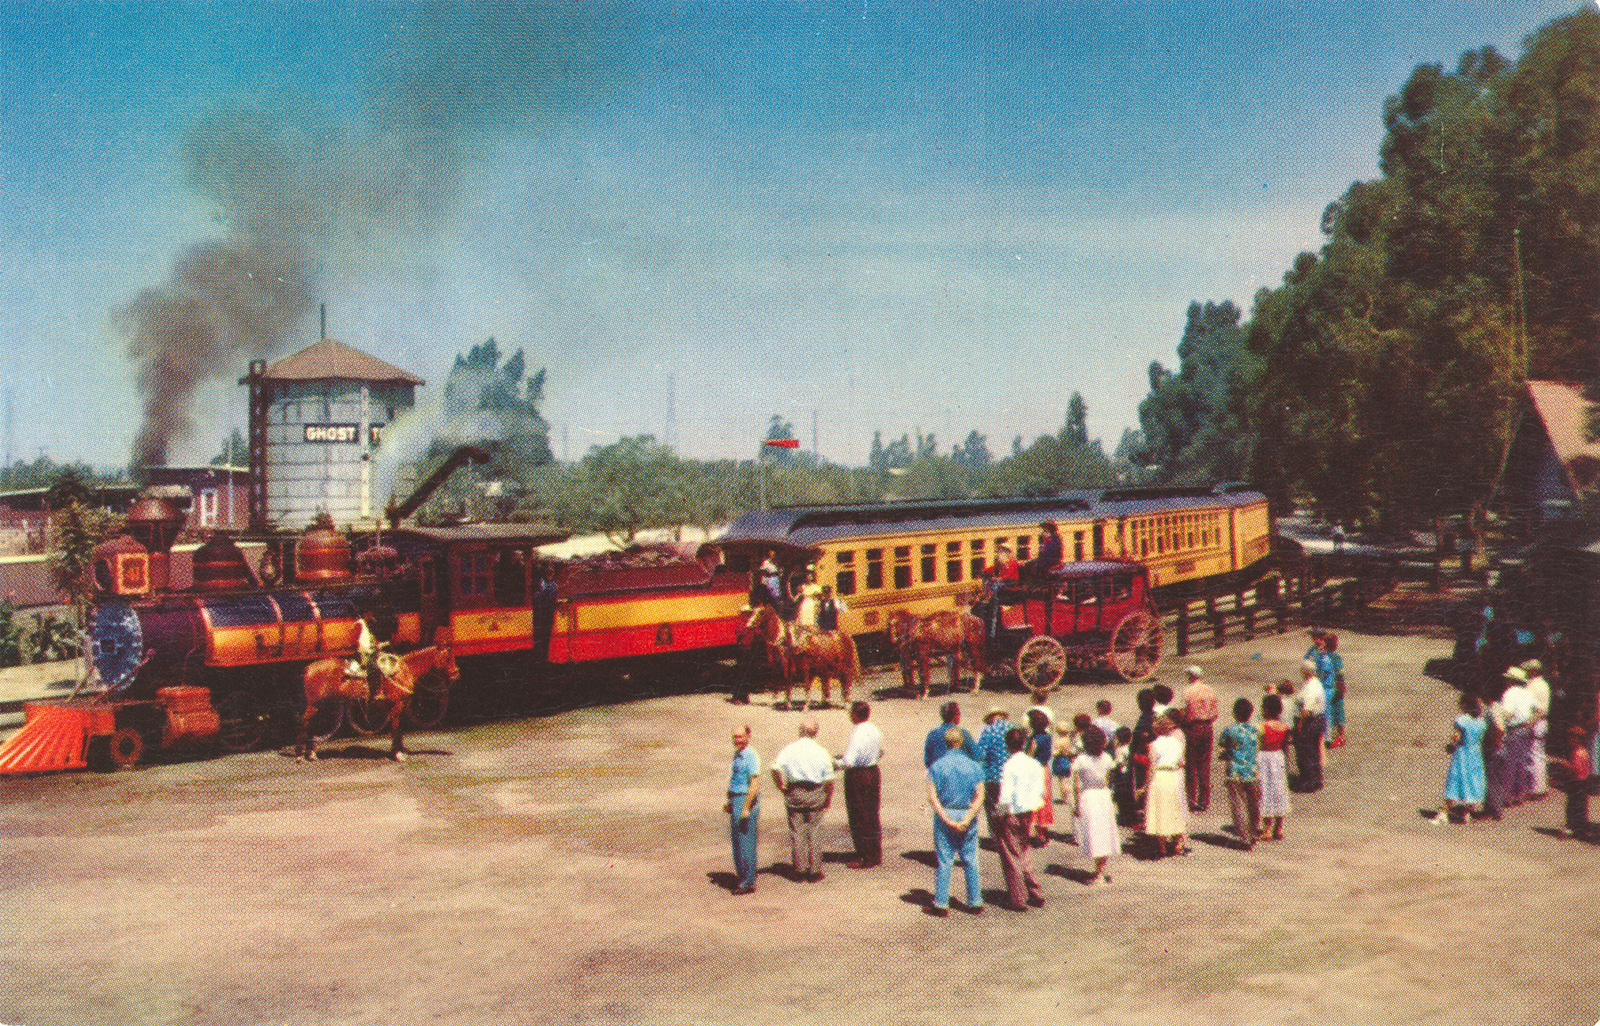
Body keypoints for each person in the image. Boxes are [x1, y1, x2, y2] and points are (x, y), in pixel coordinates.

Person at [926, 727, 986, 916]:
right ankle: (974, 901)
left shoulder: (937, 766)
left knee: (945, 860)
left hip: (946, 813)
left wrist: (945, 818)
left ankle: (941, 902)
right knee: (970, 859)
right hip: (966, 813)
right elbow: (980, 795)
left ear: (946, 742)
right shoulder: (974, 766)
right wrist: (968, 817)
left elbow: (932, 797)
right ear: (961, 742)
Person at [771, 717, 835, 882]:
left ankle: (799, 870)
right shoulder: (822, 751)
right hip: (815, 793)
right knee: (815, 831)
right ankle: (814, 871)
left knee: (797, 832)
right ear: (816, 732)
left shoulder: (789, 749)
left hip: (795, 792)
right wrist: (827, 799)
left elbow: (775, 767)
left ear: (800, 730)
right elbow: (829, 780)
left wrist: (781, 786)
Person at [995, 726, 1047, 910]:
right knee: (1024, 850)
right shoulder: (1033, 764)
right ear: (1024, 743)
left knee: (1011, 854)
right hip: (1029, 811)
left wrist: (998, 814)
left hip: (1012, 813)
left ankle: (1018, 898)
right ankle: (1035, 891)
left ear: (1007, 745)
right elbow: (1041, 790)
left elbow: (1005, 795)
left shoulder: (1009, 765)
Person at [837, 701, 884, 869]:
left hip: (858, 775)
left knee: (858, 814)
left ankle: (864, 855)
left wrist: (836, 763)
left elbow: (849, 761)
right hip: (873, 772)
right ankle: (874, 853)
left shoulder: (856, 733)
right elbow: (880, 752)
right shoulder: (875, 729)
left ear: (855, 715)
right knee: (872, 812)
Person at [1070, 725, 1118, 885]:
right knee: (1104, 832)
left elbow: (1076, 786)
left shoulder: (1081, 760)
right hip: (1103, 795)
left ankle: (1099, 873)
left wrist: (1076, 805)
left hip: (1088, 796)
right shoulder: (1107, 758)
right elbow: (1110, 778)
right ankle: (1101, 870)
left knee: (1094, 833)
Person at [1217, 697, 1262, 848]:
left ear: (1235, 713)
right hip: (1252, 770)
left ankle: (1244, 836)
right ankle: (1254, 831)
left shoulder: (1230, 730)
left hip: (1235, 771)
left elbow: (1222, 743)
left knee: (1238, 805)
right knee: (1253, 804)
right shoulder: (1256, 729)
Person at [1143, 713, 1188, 857]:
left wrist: (1145, 785)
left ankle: (1161, 846)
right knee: (1175, 809)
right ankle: (1177, 843)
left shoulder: (1153, 745)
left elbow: (1151, 767)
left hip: (1160, 776)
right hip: (1174, 776)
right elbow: (1182, 762)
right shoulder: (1178, 743)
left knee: (1160, 810)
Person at [724, 726, 761, 894]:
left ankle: (748, 882)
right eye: (734, 737)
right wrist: (730, 802)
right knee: (737, 841)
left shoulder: (751, 755)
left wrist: (746, 807)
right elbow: (736, 779)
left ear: (748, 736)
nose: (736, 740)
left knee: (746, 841)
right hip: (736, 798)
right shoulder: (737, 755)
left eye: (740, 736)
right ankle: (742, 877)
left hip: (746, 799)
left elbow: (754, 784)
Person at [1440, 693, 1487, 824]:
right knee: (1473, 782)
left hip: (1462, 753)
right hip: (1475, 754)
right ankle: (1466, 813)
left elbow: (1456, 738)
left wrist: (1450, 745)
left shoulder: (1462, 720)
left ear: (1465, 705)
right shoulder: (1481, 721)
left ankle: (1444, 812)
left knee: (1455, 781)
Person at [1180, 665, 1220, 812]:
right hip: (1207, 727)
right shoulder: (1210, 690)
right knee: (1204, 764)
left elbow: (1184, 712)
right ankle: (1204, 800)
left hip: (1193, 727)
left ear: (1190, 676)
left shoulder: (1188, 691)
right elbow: (1215, 713)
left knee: (1191, 764)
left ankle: (1191, 799)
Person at [1549, 722, 1593, 839]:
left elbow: (1575, 769)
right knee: (1580, 806)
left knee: (1573, 806)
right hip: (1583, 782)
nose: (1569, 740)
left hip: (1576, 782)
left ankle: (1572, 828)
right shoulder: (1583, 751)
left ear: (1577, 739)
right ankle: (1580, 828)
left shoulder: (1577, 753)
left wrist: (1565, 766)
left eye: (1572, 737)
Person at [1257, 694, 1292, 841]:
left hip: (1264, 758)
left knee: (1265, 790)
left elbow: (1258, 744)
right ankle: (1279, 828)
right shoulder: (1285, 727)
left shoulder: (1262, 727)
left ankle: (1267, 828)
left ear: (1266, 710)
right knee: (1279, 790)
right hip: (1278, 758)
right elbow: (1286, 747)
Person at [1498, 666, 1535, 807]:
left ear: (1511, 681)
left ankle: (1507, 796)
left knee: (1509, 764)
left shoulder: (1509, 694)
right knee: (1521, 762)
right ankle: (1519, 794)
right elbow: (1537, 709)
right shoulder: (1527, 693)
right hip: (1525, 729)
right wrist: (1529, 722)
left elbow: (1506, 713)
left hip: (1514, 730)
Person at [973, 706, 1012, 836]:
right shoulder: (1011, 728)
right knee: (1007, 807)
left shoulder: (988, 731)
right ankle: (1007, 833)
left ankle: (997, 836)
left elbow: (980, 754)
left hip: (993, 776)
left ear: (990, 717)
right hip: (1010, 775)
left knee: (992, 808)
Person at [1292, 660, 1326, 792]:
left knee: (1307, 751)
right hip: (1316, 720)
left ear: (1305, 672)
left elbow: (1307, 709)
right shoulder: (1314, 683)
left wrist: (1300, 724)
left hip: (1310, 721)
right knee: (1313, 751)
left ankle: (1309, 781)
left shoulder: (1311, 687)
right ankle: (1316, 779)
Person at [1523, 659, 1550, 799]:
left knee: (1533, 755)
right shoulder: (1544, 684)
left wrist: (1529, 722)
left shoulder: (1533, 686)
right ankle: (1540, 786)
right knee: (1539, 754)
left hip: (1536, 722)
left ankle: (1535, 788)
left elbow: (1535, 708)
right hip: (1543, 723)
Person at [1026, 708, 1054, 844]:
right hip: (1045, 769)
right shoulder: (1048, 736)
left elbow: (1030, 755)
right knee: (1045, 799)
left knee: (1036, 799)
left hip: (1036, 769)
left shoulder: (1034, 739)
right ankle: (1043, 828)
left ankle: (1039, 833)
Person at [924, 701, 977, 768]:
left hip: (938, 773)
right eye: (959, 713)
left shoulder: (932, 734)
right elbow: (976, 757)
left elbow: (927, 761)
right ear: (955, 716)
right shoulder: (963, 733)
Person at [1324, 633, 1348, 748]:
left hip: (1327, 687)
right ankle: (1340, 737)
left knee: (1329, 710)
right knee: (1339, 710)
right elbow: (1340, 672)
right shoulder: (1336, 657)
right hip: (1336, 687)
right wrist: (1342, 685)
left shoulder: (1323, 656)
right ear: (1335, 645)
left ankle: (1330, 735)